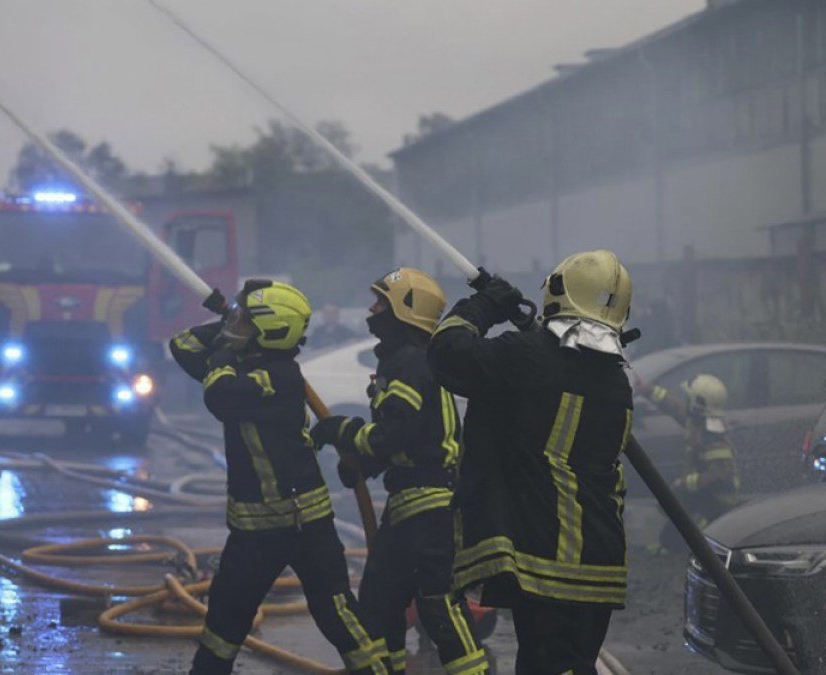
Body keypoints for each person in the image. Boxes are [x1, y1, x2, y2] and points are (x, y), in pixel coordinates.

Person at [427, 250, 635, 675]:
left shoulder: (527, 356)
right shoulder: (616, 379)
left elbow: (447, 352)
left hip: (548, 558)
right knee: (570, 665)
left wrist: (485, 304)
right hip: (600, 559)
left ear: (558, 292)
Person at [170, 280, 390, 675]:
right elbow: (182, 345)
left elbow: (220, 396)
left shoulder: (277, 376)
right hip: (253, 531)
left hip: (302, 524)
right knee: (225, 619)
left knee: (336, 613)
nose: (236, 325)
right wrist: (231, 321)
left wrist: (226, 346)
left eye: (246, 321)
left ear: (270, 332)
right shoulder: (241, 366)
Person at [311, 268, 489, 675]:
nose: (372, 309)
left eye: (381, 302)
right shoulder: (405, 361)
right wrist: (365, 466)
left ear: (405, 310)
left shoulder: (410, 362)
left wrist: (340, 430)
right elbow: (411, 436)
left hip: (432, 508)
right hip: (411, 505)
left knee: (437, 603)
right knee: (379, 603)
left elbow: (392, 435)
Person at [635, 373, 740, 553]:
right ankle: (671, 542)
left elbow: (718, 477)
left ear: (697, 404)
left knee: (682, 537)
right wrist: (648, 390)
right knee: (671, 527)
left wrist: (685, 483)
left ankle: (684, 546)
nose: (685, 401)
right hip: (701, 495)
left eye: (689, 398)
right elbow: (675, 407)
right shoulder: (699, 423)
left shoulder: (714, 440)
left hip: (716, 504)